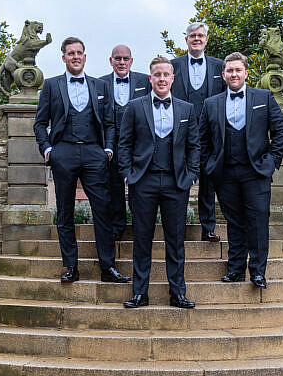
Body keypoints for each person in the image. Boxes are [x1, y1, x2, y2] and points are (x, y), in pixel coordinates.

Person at [33, 36, 130, 284]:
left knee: (103, 210)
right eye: (70, 53)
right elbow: (40, 123)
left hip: (93, 154)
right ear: (63, 57)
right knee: (64, 212)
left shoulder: (100, 86)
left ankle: (108, 268)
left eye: (79, 53)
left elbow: (109, 122)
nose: (75, 57)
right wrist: (48, 150)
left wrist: (107, 149)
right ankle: (71, 267)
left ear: (85, 57)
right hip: (62, 153)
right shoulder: (52, 86)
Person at [117, 56, 200, 309]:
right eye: (157, 75)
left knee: (176, 241)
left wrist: (191, 174)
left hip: (177, 183)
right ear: (150, 78)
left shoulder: (187, 109)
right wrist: (128, 174)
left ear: (172, 78)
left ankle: (178, 293)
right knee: (142, 239)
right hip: (144, 181)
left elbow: (194, 145)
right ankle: (140, 293)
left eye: (166, 74)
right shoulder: (134, 106)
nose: (162, 79)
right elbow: (124, 144)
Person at [201, 52, 283, 289]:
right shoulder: (211, 104)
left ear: (246, 73)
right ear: (223, 75)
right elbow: (203, 141)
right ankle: (236, 269)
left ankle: (258, 272)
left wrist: (269, 164)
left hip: (256, 172)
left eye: (238, 70)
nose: (234, 74)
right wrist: (210, 166)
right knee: (234, 222)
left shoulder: (264, 97)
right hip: (225, 174)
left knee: (258, 222)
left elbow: (280, 134)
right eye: (230, 71)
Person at [170, 22, 225, 242]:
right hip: (180, 135)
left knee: (208, 183)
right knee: (179, 181)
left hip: (209, 135)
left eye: (200, 35)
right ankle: (177, 228)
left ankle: (208, 228)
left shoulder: (219, 66)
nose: (196, 39)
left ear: (206, 39)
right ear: (186, 40)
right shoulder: (173, 66)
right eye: (192, 35)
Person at [99, 44, 150, 240]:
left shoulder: (145, 81)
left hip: (137, 145)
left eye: (125, 58)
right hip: (111, 144)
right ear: (111, 61)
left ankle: (141, 227)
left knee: (139, 186)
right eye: (117, 58)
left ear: (131, 61)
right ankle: (116, 228)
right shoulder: (100, 83)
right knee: (114, 186)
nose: (121, 62)